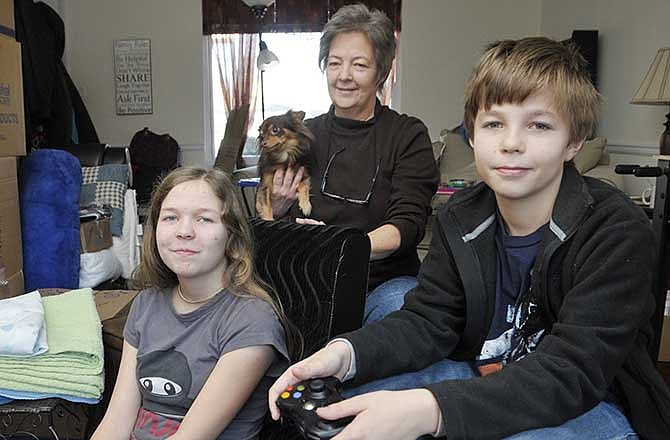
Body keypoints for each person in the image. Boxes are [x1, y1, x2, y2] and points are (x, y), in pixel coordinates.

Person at [268, 37, 670, 439]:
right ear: (473, 135)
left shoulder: (616, 229)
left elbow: (572, 373)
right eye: (494, 123)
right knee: (344, 411)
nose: (511, 143)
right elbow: (429, 321)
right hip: (481, 375)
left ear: (574, 141)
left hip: (594, 404)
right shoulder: (461, 215)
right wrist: (344, 354)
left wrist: (432, 410)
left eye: (539, 125)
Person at [268, 3, 439, 324]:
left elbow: (407, 226)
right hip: (309, 281)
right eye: (334, 63)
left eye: (359, 65)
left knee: (401, 312)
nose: (344, 76)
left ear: (382, 72)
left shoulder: (406, 135)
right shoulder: (305, 136)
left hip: (382, 284)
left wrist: (338, 246)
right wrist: (277, 208)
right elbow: (277, 227)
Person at [92, 167, 290, 440]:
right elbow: (115, 423)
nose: (184, 231)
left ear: (232, 237)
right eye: (171, 217)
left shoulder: (253, 321)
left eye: (204, 219)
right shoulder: (146, 304)